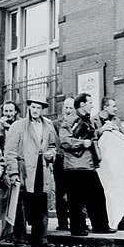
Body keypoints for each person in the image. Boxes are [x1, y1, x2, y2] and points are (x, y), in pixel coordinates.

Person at [59, 93, 117, 236]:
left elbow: (92, 136)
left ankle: (100, 226)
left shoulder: (88, 120)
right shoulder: (70, 121)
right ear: (82, 104)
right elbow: (65, 141)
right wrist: (81, 143)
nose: (92, 105)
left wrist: (102, 130)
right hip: (75, 166)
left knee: (97, 195)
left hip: (88, 164)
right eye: (90, 102)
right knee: (76, 199)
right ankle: (78, 229)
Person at [5, 94, 57, 247]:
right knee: (21, 204)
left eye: (38, 108)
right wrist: (13, 172)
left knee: (41, 202)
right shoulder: (18, 126)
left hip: (41, 168)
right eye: (33, 107)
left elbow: (53, 146)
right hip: (23, 169)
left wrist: (51, 154)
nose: (35, 110)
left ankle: (40, 238)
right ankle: (19, 238)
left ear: (42, 110)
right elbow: (10, 151)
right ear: (29, 107)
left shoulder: (48, 125)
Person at [93, 97, 124, 231]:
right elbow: (91, 137)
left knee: (118, 190)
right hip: (101, 161)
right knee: (104, 192)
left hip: (115, 160)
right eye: (113, 106)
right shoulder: (95, 120)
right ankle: (108, 220)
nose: (115, 109)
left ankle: (120, 219)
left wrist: (117, 129)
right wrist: (102, 130)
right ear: (105, 107)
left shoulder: (116, 120)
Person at [52, 97, 74, 231]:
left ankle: (76, 220)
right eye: (66, 107)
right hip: (60, 161)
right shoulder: (55, 124)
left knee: (74, 193)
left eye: (71, 108)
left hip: (74, 162)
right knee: (60, 193)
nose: (68, 110)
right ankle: (62, 222)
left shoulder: (78, 122)